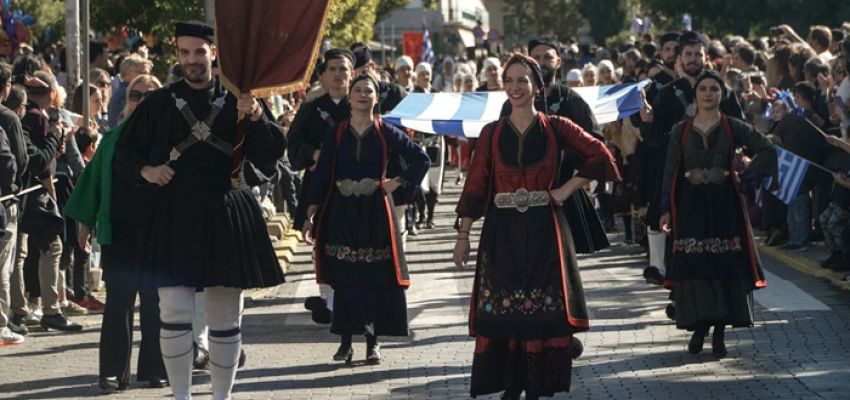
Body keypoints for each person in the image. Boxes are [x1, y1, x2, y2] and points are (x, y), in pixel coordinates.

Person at [114, 21, 286, 400]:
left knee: (224, 316)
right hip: (174, 213)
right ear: (177, 54)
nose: (191, 60)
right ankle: (181, 397)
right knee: (173, 311)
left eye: (199, 52)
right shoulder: (157, 103)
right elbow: (124, 153)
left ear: (213, 53)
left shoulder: (242, 99)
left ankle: (222, 397)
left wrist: (256, 115)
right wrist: (147, 170)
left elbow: (273, 151)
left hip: (226, 210)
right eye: (184, 52)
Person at [454, 54, 619, 400]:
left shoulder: (556, 126)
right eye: (509, 80)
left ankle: (536, 385)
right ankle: (511, 384)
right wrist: (464, 235)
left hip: (545, 228)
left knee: (541, 308)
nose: (515, 88)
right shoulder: (491, 133)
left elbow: (601, 155)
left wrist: (566, 189)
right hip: (502, 232)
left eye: (523, 81)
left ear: (536, 87)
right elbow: (475, 187)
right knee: (505, 307)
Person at [302, 73, 429, 365]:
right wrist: (312, 210)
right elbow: (322, 174)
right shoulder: (336, 133)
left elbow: (420, 158)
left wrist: (396, 182)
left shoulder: (386, 131)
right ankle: (346, 343)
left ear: (376, 98)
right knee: (345, 279)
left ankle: (373, 344)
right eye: (357, 90)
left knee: (373, 279)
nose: (362, 94)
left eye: (368, 90)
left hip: (375, 212)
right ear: (349, 97)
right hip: (341, 212)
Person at [659, 70, 776, 358]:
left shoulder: (732, 126)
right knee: (696, 267)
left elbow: (767, 148)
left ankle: (720, 333)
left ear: (722, 95)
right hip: (691, 205)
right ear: (695, 94)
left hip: (725, 204)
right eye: (703, 89)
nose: (708, 93)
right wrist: (665, 209)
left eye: (714, 89)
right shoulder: (681, 130)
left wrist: (746, 177)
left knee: (724, 265)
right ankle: (700, 327)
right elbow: (670, 169)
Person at [65, 74, 167, 391]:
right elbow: (92, 181)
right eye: (136, 96)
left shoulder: (172, 139)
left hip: (159, 236)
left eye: (151, 97)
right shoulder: (112, 139)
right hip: (119, 235)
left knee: (156, 307)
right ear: (127, 100)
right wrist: (84, 223)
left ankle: (155, 370)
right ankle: (112, 373)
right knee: (118, 306)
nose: (142, 102)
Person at [640, 31, 744, 288]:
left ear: (706, 57)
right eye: (688, 54)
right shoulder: (667, 93)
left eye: (698, 54)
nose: (693, 59)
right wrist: (649, 122)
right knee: (682, 236)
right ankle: (681, 294)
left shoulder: (722, 90)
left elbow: (739, 128)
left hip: (717, 175)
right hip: (681, 175)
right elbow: (654, 141)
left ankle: (719, 296)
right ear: (680, 57)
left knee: (717, 235)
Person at [288, 48, 355, 325]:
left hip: (355, 189)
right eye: (333, 70)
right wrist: (314, 154)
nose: (339, 75)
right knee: (323, 243)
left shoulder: (362, 104)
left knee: (355, 243)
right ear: (323, 76)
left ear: (353, 74)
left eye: (344, 70)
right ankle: (327, 300)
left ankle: (353, 299)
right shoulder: (311, 109)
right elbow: (293, 144)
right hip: (321, 188)